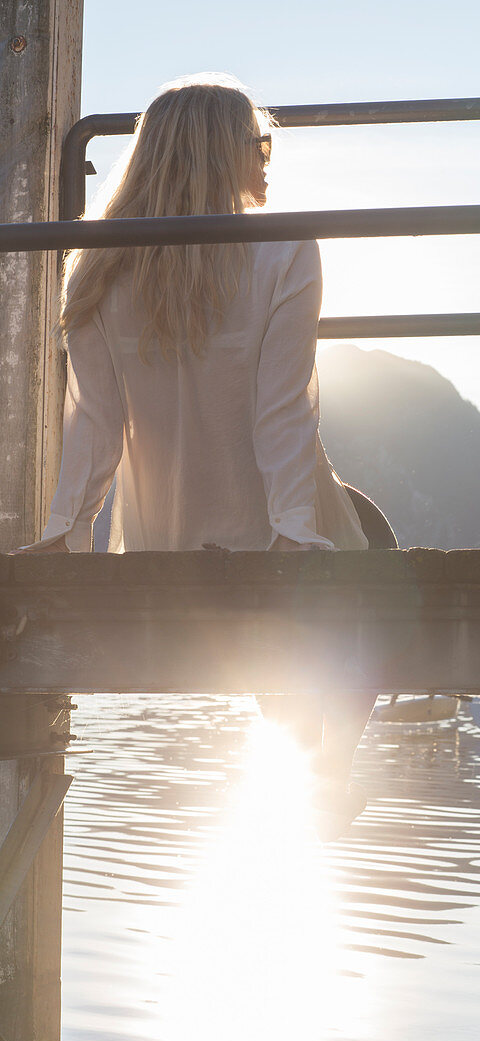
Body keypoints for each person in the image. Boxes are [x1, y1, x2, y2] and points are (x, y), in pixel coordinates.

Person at [16, 73, 375, 839]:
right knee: (374, 542)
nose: (269, 158)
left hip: (166, 535)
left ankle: (299, 731)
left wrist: (67, 534)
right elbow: (282, 412)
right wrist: (291, 533)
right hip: (263, 529)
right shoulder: (282, 249)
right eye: (259, 142)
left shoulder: (99, 266)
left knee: (334, 551)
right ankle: (327, 767)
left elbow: (94, 425)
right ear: (221, 151)